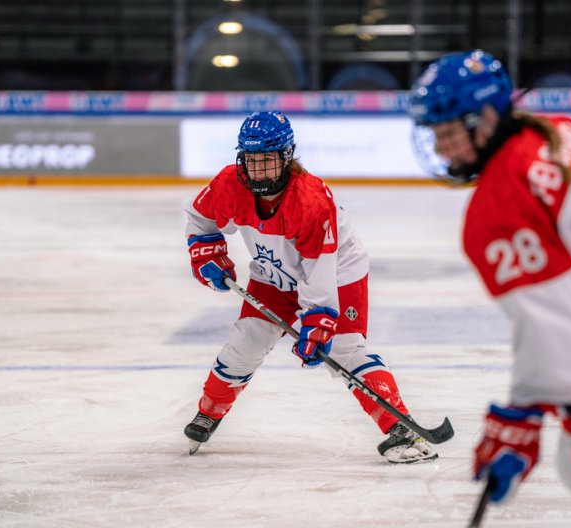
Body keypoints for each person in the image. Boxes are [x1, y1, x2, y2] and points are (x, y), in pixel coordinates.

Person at [182, 110, 438, 463]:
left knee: (346, 348)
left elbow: (320, 267)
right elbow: (201, 218)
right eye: (252, 161)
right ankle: (208, 412)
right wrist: (205, 250)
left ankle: (401, 429)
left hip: (337, 274)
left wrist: (319, 319)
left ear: (287, 158)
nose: (259, 171)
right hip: (272, 272)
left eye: (268, 161)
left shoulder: (310, 202)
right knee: (246, 341)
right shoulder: (229, 184)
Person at [408, 49, 571, 516]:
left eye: (449, 132)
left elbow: (555, 329)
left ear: (487, 118)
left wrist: (522, 415)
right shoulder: (557, 131)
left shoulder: (499, 203)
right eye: (435, 134)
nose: (441, 148)